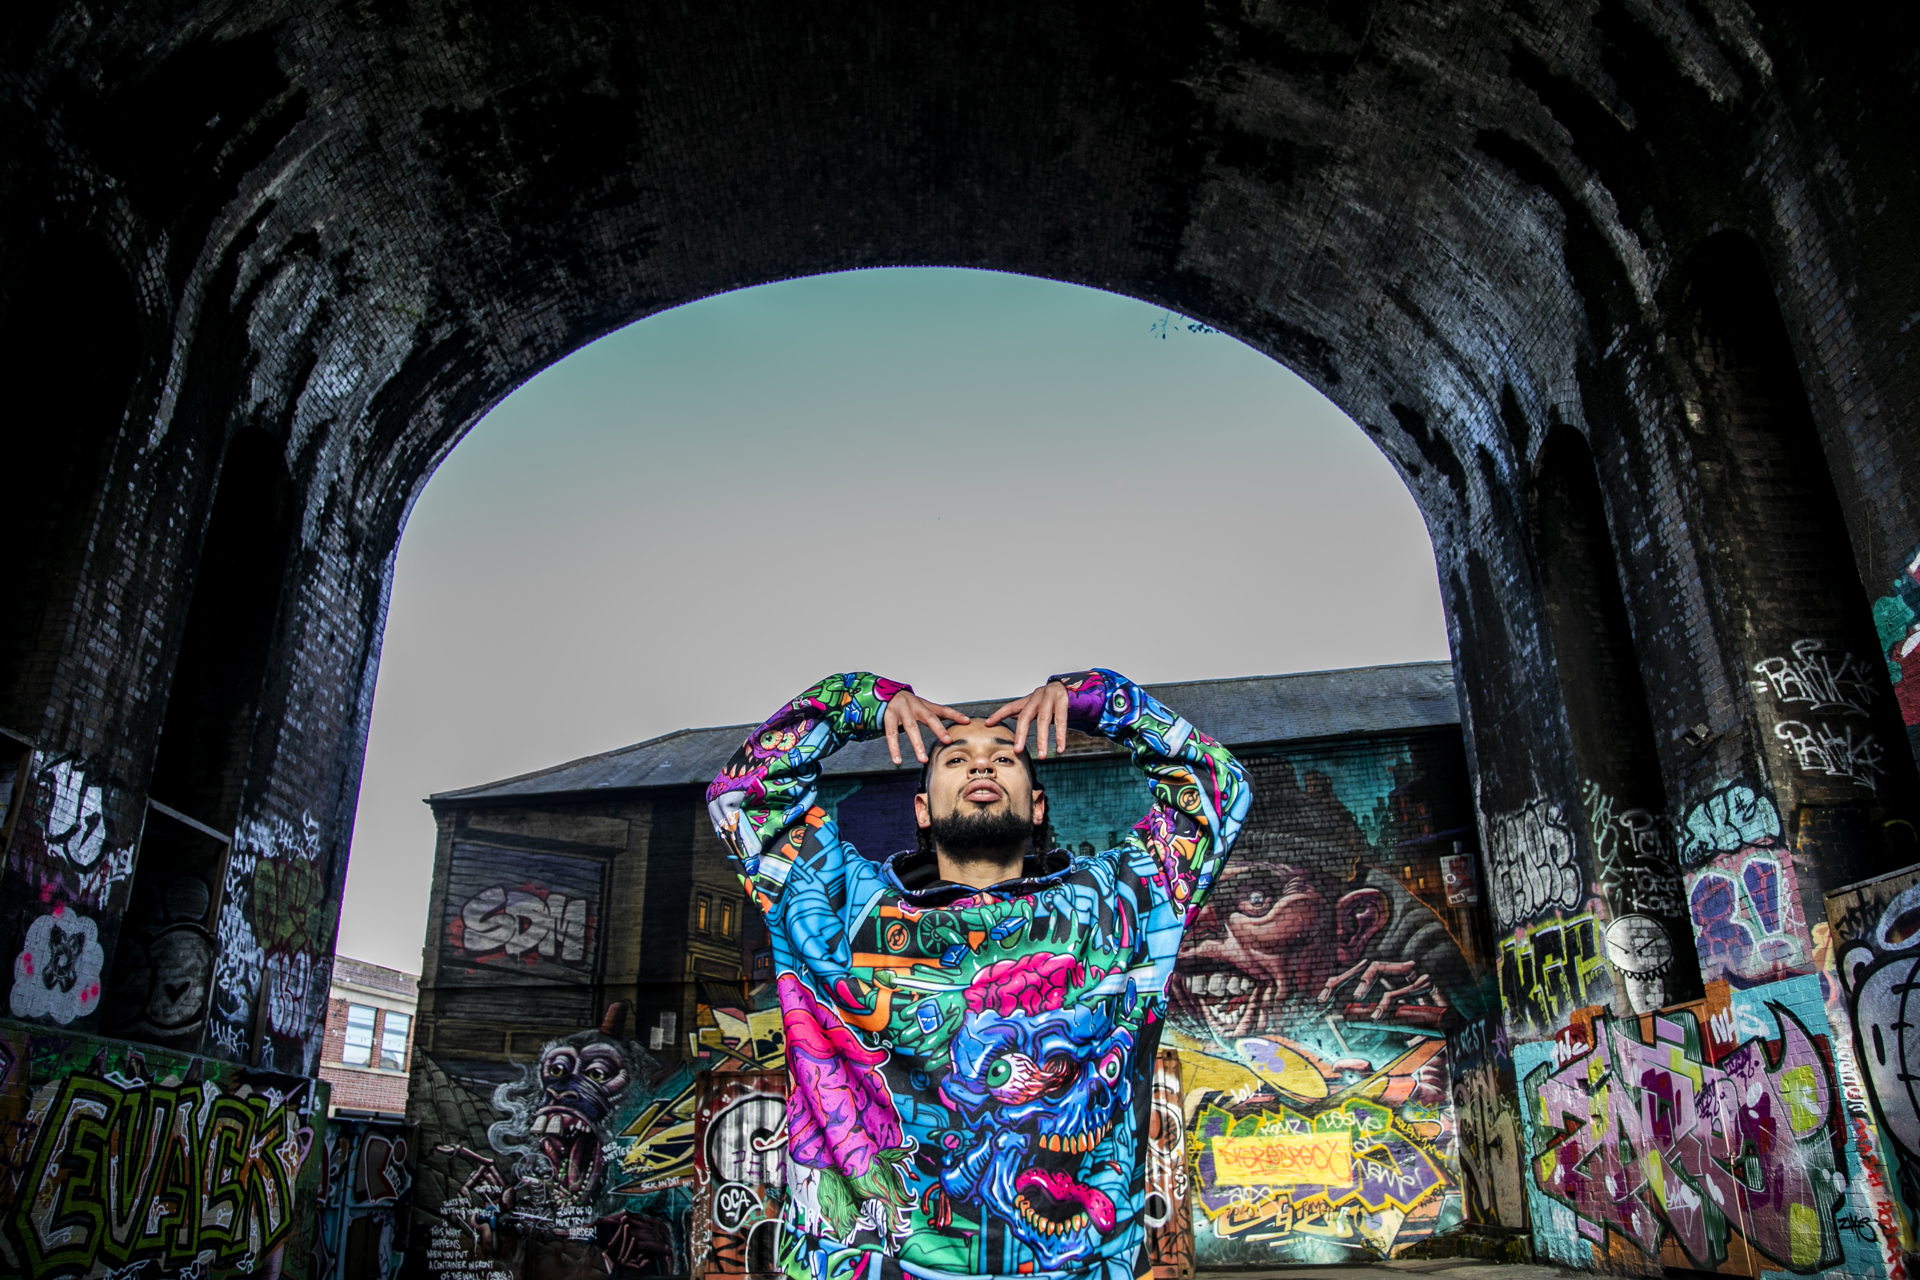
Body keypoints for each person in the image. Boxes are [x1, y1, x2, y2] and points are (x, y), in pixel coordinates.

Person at [707, 670, 1250, 1280]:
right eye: (956, 758)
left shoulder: (1122, 903)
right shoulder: (832, 900)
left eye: (1005, 758)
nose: (981, 767)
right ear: (923, 808)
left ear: (1038, 803)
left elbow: (1217, 788)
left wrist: (1097, 699)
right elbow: (746, 792)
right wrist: (864, 702)